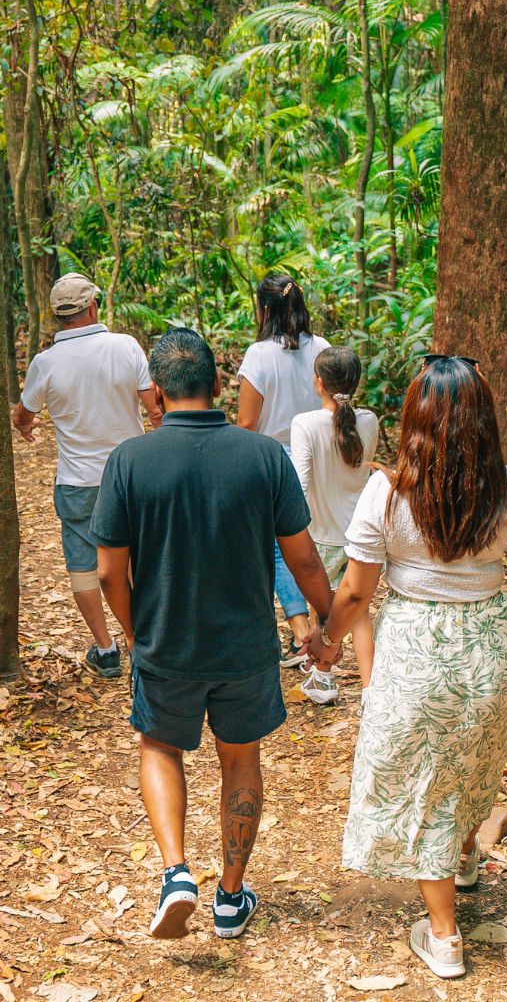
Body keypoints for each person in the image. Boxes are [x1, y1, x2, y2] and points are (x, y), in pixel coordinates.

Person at [322, 355, 507, 981]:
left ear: (414, 420)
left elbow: (355, 593)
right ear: (484, 421)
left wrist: (327, 642)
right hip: (487, 648)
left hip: (414, 649)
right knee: (474, 758)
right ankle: (462, 858)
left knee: (426, 783)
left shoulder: (388, 490)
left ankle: (445, 936)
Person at [93, 327, 335, 942]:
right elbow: (303, 560)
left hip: (165, 641)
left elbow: (107, 570)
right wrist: (328, 617)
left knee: (159, 747)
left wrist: (135, 628)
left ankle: (176, 874)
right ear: (219, 384)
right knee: (241, 758)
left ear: (156, 395)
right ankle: (231, 896)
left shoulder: (129, 460)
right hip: (245, 647)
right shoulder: (262, 457)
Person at [13, 274, 162, 679]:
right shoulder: (124, 346)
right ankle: (143, 639)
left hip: (78, 481)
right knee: (136, 560)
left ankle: (106, 648)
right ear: (93, 307)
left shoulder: (45, 362)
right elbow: (154, 409)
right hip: (132, 477)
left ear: (58, 316)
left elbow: (23, 414)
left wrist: (25, 425)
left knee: (84, 567)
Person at [234, 272, 331, 668]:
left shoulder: (259, 355)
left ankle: (299, 629)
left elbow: (246, 424)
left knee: (279, 547)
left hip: (275, 461)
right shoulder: (322, 348)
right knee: (315, 539)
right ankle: (327, 623)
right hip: (321, 454)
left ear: (264, 309)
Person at [289, 346, 378, 705]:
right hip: (361, 535)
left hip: (321, 534)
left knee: (324, 610)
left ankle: (323, 678)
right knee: (359, 612)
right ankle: (371, 689)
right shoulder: (369, 421)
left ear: (319, 382)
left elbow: (301, 484)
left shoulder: (305, 424)